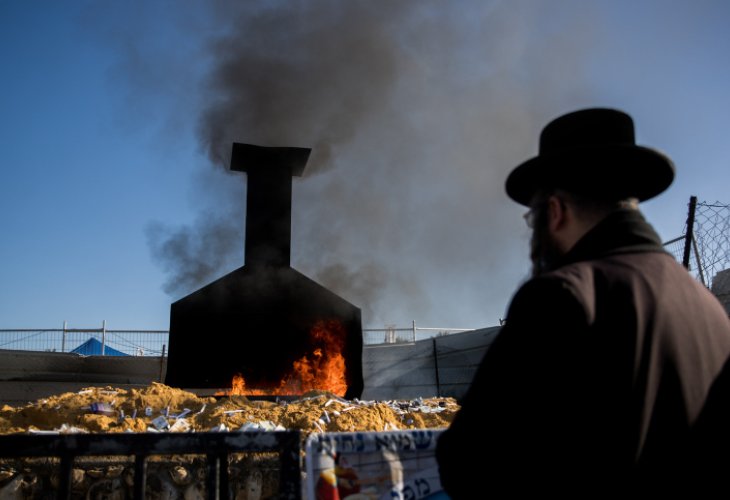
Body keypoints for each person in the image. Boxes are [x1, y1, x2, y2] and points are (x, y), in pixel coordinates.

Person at [435, 108, 730, 497]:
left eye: (532, 220)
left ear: (555, 212)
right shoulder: (710, 309)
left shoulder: (563, 295)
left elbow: (471, 462)